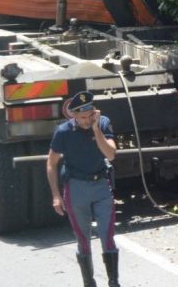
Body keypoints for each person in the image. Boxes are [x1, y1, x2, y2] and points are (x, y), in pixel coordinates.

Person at [47, 91, 121, 287]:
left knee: (108, 236)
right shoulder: (63, 132)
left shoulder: (103, 123)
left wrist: (96, 130)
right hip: (76, 188)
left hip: (101, 186)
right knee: (83, 239)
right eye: (82, 118)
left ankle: (114, 282)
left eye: (90, 116)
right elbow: (51, 163)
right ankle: (89, 282)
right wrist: (56, 195)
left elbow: (111, 154)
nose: (86, 121)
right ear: (73, 115)